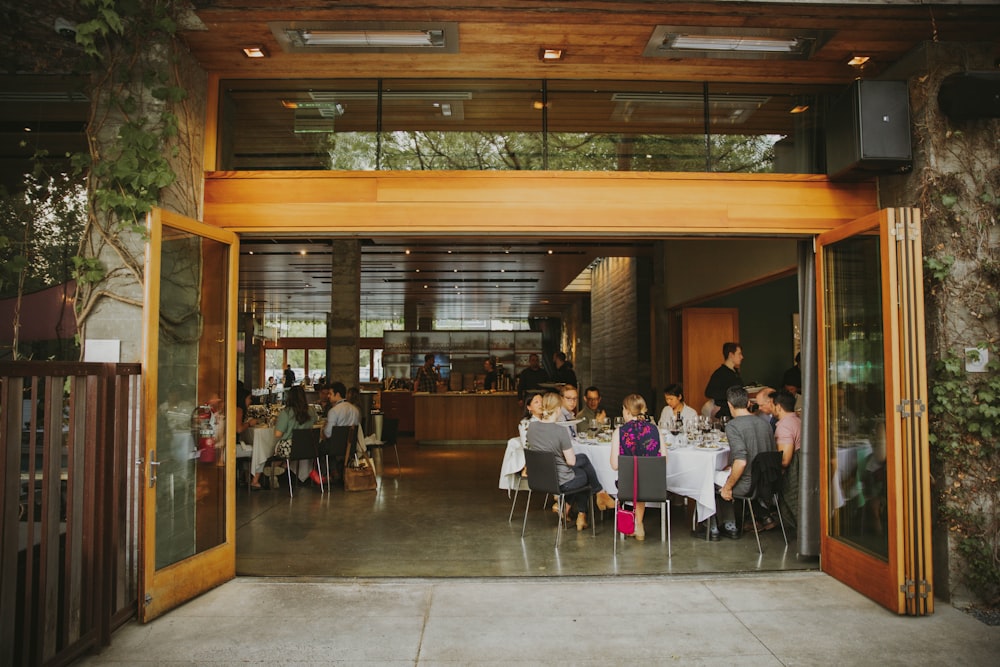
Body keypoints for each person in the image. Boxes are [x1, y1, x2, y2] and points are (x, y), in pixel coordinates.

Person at [526, 392, 614, 531]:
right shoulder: (560, 430)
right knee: (585, 475)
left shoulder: (531, 427)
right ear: (558, 409)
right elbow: (571, 461)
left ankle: (581, 512)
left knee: (583, 460)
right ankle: (593, 500)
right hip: (560, 482)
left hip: (540, 479)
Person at [714, 385, 775, 540]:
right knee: (727, 473)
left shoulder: (733, 426)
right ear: (748, 403)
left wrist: (728, 487)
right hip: (767, 483)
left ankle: (722, 525)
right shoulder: (765, 423)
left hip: (748, 485)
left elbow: (741, 462)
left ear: (729, 405)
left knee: (710, 477)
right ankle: (754, 515)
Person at [610, 394, 667, 541]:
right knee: (642, 479)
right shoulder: (655, 430)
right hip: (654, 488)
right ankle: (638, 524)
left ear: (628, 411)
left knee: (635, 479)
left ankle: (637, 524)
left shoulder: (620, 432)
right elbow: (664, 461)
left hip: (627, 486)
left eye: (623, 409)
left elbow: (615, 466)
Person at [252, 385, 317, 490]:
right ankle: (282, 467)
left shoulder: (286, 412)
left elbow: (278, 434)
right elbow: (315, 422)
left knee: (270, 448)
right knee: (289, 449)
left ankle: (273, 469)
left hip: (289, 448)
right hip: (307, 447)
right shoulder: (312, 410)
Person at [771, 389, 801, 530]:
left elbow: (785, 460)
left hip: (794, 474)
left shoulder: (784, 426)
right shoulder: (798, 420)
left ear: (778, 407)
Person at [704, 342, 743, 420]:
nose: (742, 357)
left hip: (736, 411)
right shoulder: (720, 373)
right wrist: (731, 394)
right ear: (731, 355)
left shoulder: (735, 372)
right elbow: (709, 392)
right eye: (739, 354)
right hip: (725, 414)